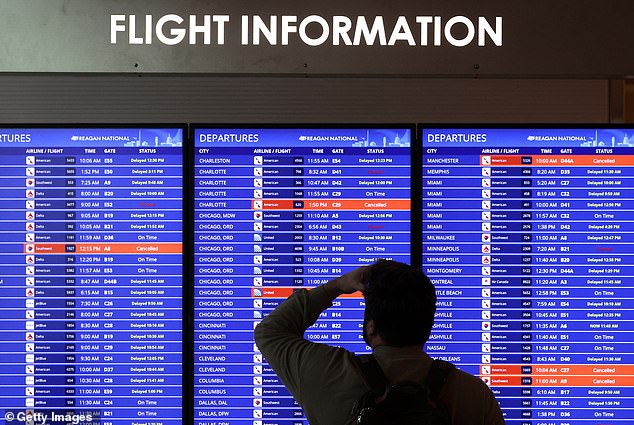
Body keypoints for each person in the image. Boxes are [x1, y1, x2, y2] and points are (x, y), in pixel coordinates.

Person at [254, 259, 506, 425]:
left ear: (371, 327)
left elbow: (270, 331)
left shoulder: (326, 373)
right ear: (428, 327)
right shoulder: (475, 396)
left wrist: (339, 286)